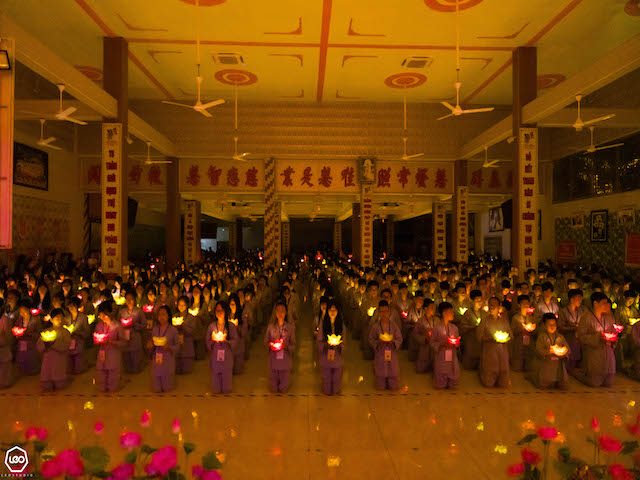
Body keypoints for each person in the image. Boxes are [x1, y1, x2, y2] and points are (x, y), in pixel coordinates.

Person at [574, 292, 618, 387]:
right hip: (594, 352)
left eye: (607, 303)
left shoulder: (609, 317)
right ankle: (579, 374)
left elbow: (613, 332)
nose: (606, 305)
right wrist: (598, 337)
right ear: (595, 303)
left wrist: (613, 337)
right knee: (594, 383)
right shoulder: (586, 317)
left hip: (608, 351)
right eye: (603, 303)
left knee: (609, 383)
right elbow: (581, 336)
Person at [477, 297, 512, 388]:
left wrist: (505, 338)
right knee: (488, 383)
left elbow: (511, 335)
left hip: (502, 352)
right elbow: (479, 337)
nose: (492, 307)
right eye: (490, 305)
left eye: (494, 305)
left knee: (503, 383)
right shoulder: (485, 320)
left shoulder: (504, 320)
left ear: (499, 306)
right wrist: (491, 338)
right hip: (490, 353)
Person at [368, 300, 402, 390]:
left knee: (394, 386)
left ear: (389, 312)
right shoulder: (375, 326)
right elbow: (371, 339)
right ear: (379, 313)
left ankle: (392, 379)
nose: (384, 314)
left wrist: (393, 342)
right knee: (380, 386)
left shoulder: (394, 326)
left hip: (392, 352)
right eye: (382, 311)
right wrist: (378, 343)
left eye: (386, 311)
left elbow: (399, 339)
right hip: (380, 353)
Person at [530, 313, 570, 389]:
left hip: (558, 366)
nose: (552, 326)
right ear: (545, 325)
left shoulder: (560, 337)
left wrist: (563, 351)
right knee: (544, 385)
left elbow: (567, 349)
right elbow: (539, 351)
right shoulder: (542, 337)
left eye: (554, 324)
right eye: (549, 324)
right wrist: (550, 351)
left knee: (563, 385)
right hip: (546, 365)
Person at [264, 300, 296, 393]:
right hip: (273, 359)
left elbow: (293, 345)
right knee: (273, 389)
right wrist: (271, 345)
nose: (280, 313)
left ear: (286, 313)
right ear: (275, 313)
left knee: (283, 389)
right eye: (278, 311)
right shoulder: (271, 327)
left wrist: (286, 346)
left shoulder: (290, 328)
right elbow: (265, 341)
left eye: (282, 311)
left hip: (285, 360)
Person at [94, 301, 126, 393]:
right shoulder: (99, 325)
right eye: (100, 315)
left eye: (104, 315)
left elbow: (123, 342)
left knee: (113, 382)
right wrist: (98, 340)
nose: (102, 317)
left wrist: (111, 342)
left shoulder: (117, 326)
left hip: (113, 354)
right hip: (102, 353)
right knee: (101, 375)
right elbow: (95, 338)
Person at [36, 308, 71, 392]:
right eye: (57, 318)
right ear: (51, 320)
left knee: (60, 384)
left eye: (61, 318)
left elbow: (65, 346)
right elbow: (39, 346)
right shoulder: (46, 332)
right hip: (48, 360)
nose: (60, 320)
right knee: (46, 384)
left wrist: (53, 343)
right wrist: (46, 344)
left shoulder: (65, 332)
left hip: (59, 360)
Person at [207, 301, 238, 394]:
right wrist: (213, 340)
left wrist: (226, 341)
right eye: (217, 310)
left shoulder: (231, 326)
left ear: (225, 311)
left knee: (226, 388)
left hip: (226, 356)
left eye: (221, 310)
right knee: (215, 388)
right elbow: (207, 341)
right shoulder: (212, 326)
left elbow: (235, 340)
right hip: (215, 356)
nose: (219, 312)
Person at [317, 301, 345, 395]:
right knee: (326, 379)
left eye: (335, 310)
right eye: (330, 310)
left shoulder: (341, 325)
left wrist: (339, 344)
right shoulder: (323, 324)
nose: (332, 312)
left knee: (337, 376)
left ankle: (336, 387)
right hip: (326, 354)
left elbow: (344, 341)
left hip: (337, 354)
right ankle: (327, 386)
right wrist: (326, 344)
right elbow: (319, 340)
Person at [431, 302, 460, 390]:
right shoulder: (437, 328)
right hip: (441, 355)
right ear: (444, 313)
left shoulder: (454, 328)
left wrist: (456, 342)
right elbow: (432, 342)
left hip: (452, 354)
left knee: (453, 374)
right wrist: (441, 344)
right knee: (440, 382)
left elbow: (457, 343)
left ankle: (452, 381)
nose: (453, 313)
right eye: (450, 311)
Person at [149, 305, 179, 393]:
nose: (161, 317)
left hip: (167, 359)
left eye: (164, 314)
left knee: (167, 389)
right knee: (156, 389)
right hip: (157, 359)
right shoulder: (155, 329)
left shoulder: (173, 330)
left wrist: (169, 347)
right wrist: (150, 345)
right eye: (159, 314)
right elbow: (151, 344)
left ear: (168, 316)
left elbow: (177, 346)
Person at [558, 289, 585, 372]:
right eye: (578, 298)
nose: (580, 300)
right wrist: (573, 328)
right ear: (572, 299)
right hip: (568, 339)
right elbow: (560, 327)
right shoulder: (563, 311)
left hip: (578, 339)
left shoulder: (581, 311)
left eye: (581, 298)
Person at [118, 291, 145, 374]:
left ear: (134, 300)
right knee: (126, 355)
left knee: (135, 355)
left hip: (135, 336)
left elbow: (144, 324)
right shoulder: (122, 312)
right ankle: (128, 370)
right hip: (125, 337)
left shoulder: (139, 311)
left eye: (131, 299)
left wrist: (134, 324)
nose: (129, 301)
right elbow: (118, 324)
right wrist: (123, 325)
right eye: (127, 299)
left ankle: (136, 370)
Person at [14, 299, 41, 376]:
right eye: (20, 311)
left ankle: (32, 371)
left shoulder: (35, 319)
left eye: (24, 310)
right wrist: (17, 332)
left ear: (29, 309)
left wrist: (30, 333)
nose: (22, 312)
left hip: (31, 343)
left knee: (31, 358)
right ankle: (22, 370)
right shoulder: (20, 319)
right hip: (22, 342)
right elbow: (16, 327)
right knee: (22, 357)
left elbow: (39, 332)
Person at [510, 295, 537, 372]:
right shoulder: (515, 318)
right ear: (519, 305)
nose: (526, 305)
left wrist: (533, 328)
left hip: (529, 342)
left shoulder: (531, 318)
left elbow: (535, 331)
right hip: (518, 342)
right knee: (517, 366)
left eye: (527, 303)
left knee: (529, 363)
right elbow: (512, 332)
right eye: (523, 303)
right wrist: (522, 328)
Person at [460, 289, 484, 370]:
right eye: (477, 300)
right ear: (472, 301)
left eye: (481, 300)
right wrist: (472, 327)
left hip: (480, 339)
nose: (479, 302)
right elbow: (462, 327)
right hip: (471, 338)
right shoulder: (467, 313)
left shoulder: (484, 313)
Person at [66, 297, 89, 374]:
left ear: (77, 306)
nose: (71, 308)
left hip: (79, 341)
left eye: (73, 306)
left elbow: (87, 331)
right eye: (69, 306)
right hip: (69, 342)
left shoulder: (83, 317)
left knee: (78, 362)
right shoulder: (67, 318)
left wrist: (78, 333)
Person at [173, 296, 196, 374]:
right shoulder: (175, 316)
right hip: (177, 344)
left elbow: (192, 331)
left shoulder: (191, 317)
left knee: (187, 371)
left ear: (187, 305)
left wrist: (183, 326)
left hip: (187, 345)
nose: (181, 307)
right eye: (179, 305)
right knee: (177, 370)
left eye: (183, 305)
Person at [413, 298, 436, 373]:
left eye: (434, 308)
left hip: (435, 345)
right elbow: (415, 334)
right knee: (421, 368)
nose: (434, 309)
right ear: (426, 309)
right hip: (425, 345)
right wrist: (424, 339)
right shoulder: (420, 321)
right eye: (432, 307)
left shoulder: (437, 320)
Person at [228, 293, 247, 374]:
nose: (232, 306)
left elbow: (244, 333)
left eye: (234, 304)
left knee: (238, 371)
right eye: (231, 304)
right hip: (229, 345)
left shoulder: (242, 316)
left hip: (239, 345)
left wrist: (237, 327)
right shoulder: (227, 316)